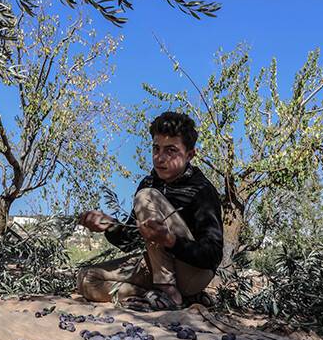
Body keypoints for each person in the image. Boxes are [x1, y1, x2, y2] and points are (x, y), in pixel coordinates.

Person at [77, 111, 223, 311]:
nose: (160, 157)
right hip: (154, 267)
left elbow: (213, 256)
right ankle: (153, 296)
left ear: (190, 155)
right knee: (87, 279)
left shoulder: (202, 190)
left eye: (171, 150)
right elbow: (133, 240)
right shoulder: (148, 181)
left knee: (147, 196)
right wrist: (110, 225)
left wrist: (170, 241)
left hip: (193, 274)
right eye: (156, 148)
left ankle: (169, 291)